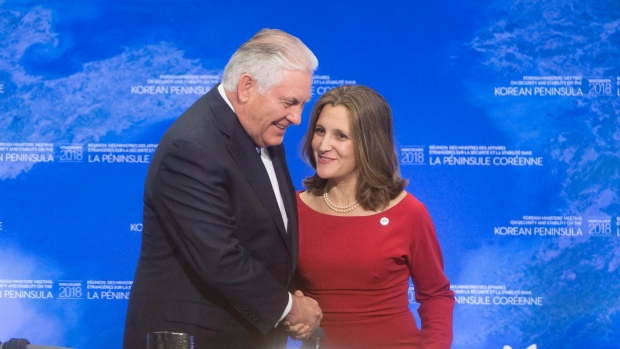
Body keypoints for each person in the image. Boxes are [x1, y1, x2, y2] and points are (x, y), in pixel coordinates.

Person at [122, 28, 323, 349]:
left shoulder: (262, 132)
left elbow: (269, 239)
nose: (297, 118)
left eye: (302, 104)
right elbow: (218, 256)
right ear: (247, 87)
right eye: (289, 102)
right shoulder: (193, 146)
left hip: (249, 333)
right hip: (194, 338)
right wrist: (289, 307)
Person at [294, 85, 455, 348]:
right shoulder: (293, 209)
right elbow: (277, 290)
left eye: (341, 136)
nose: (323, 145)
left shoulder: (409, 213)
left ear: (369, 144)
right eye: (320, 131)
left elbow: (436, 295)